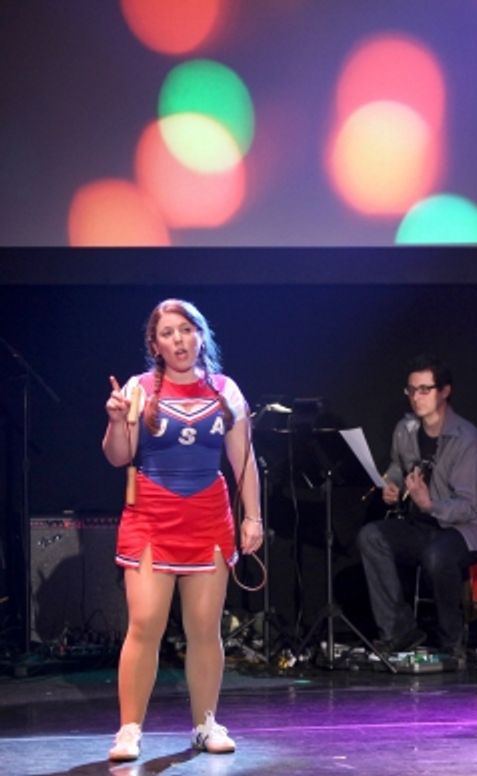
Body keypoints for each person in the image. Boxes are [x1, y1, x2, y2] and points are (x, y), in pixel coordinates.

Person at [102, 299, 263, 762]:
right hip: (152, 516)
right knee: (146, 623)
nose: (179, 340)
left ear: (201, 335)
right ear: (155, 344)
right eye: (168, 333)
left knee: (204, 628)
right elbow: (118, 456)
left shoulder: (226, 391)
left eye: (187, 330)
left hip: (209, 518)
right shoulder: (137, 389)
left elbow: (244, 461)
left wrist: (252, 517)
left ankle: (205, 723)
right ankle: (129, 729)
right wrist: (116, 420)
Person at [357, 355, 477, 659]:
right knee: (372, 536)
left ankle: (452, 641)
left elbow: (466, 506)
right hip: (428, 522)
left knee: (437, 556)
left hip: (470, 528)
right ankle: (400, 631)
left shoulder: (466, 440)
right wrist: (391, 485)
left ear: (444, 392)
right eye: (412, 390)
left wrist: (428, 503)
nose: (417, 398)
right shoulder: (405, 429)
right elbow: (398, 466)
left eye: (425, 390)